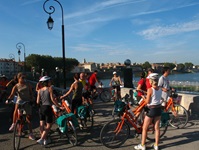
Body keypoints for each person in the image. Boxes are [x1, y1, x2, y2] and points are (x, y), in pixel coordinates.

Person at [134, 73, 162, 150]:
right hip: (158, 109)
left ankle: (142, 145)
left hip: (151, 109)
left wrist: (143, 97)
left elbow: (148, 102)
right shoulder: (160, 88)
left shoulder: (150, 90)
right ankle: (156, 145)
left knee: (145, 128)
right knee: (157, 128)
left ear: (151, 81)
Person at [7, 72, 36, 140]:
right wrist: (8, 99)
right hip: (20, 100)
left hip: (27, 101)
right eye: (22, 78)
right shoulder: (16, 86)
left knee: (28, 119)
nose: (24, 79)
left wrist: (32, 99)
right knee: (16, 108)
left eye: (25, 77)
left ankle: (31, 134)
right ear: (19, 78)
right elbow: (12, 94)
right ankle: (14, 124)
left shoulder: (28, 84)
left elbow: (31, 93)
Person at [36, 76, 62, 145]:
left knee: (41, 124)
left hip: (41, 108)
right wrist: (59, 106)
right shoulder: (50, 89)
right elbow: (53, 100)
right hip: (48, 108)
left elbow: (38, 102)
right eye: (50, 81)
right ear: (47, 82)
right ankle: (42, 139)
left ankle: (45, 139)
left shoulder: (39, 90)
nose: (50, 82)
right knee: (49, 125)